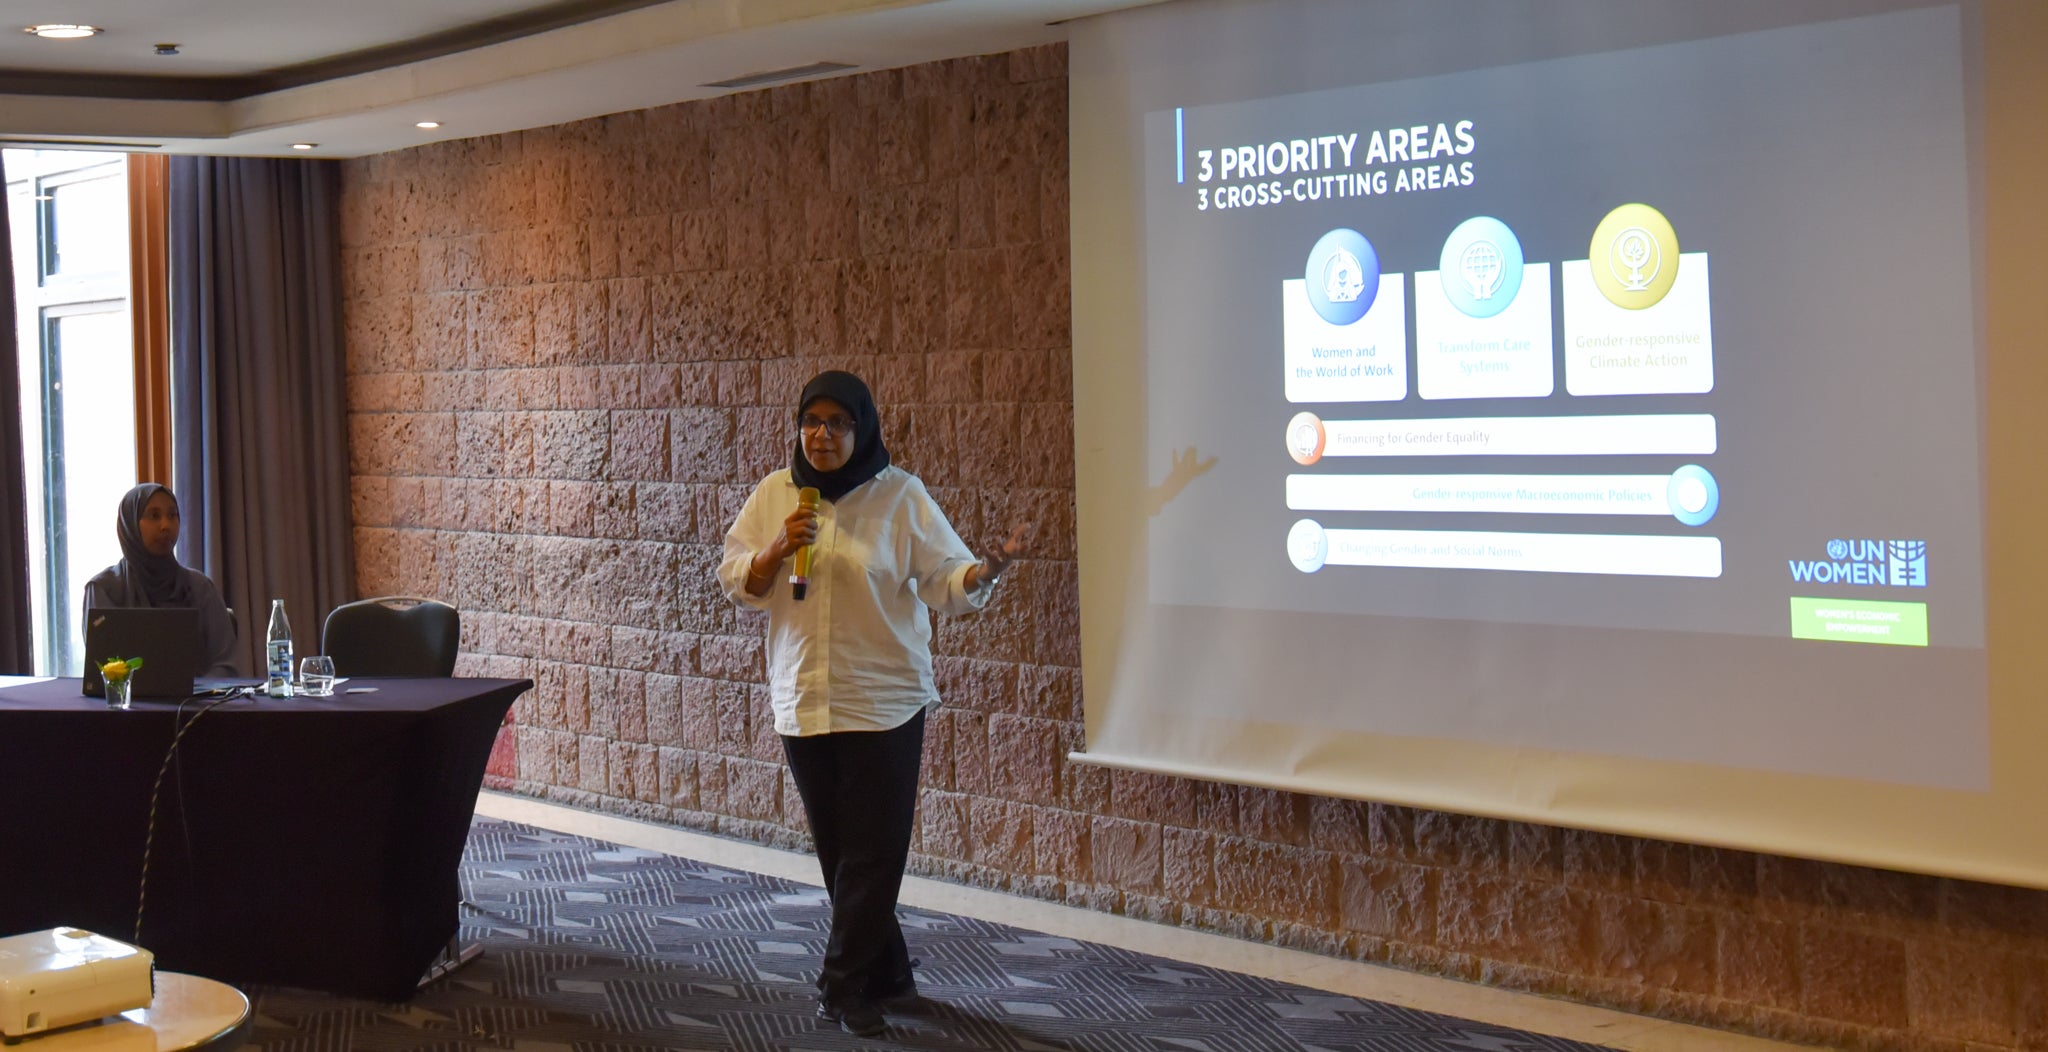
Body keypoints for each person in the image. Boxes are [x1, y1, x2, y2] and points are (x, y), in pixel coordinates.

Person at [719, 370, 1026, 1039]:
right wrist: (775, 546)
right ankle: (888, 972)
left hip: (884, 696)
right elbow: (737, 578)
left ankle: (840, 985)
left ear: (862, 429)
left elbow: (946, 578)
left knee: (874, 851)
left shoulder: (899, 497)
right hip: (804, 695)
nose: (822, 435)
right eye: (812, 422)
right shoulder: (778, 494)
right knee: (839, 851)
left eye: (837, 423)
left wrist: (987, 570)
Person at [82, 483, 238, 678]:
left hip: (197, 705)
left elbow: (226, 664)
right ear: (130, 524)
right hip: (128, 705)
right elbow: (104, 671)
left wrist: (193, 696)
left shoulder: (200, 588)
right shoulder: (104, 589)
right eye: (154, 516)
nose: (166, 525)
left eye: (172, 515)